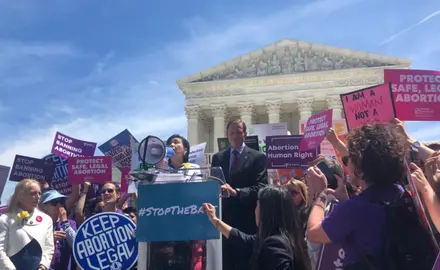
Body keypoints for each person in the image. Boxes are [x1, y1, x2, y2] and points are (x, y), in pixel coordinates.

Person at [203, 185, 311, 270]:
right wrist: (215, 220)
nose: (255, 210)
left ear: (267, 211)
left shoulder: (275, 244)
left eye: (258, 205)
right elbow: (242, 239)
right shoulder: (287, 237)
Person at [211, 119, 268, 270]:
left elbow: (262, 187)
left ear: (245, 134)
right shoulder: (218, 158)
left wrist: (237, 192)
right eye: (232, 133)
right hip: (224, 220)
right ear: (227, 136)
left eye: (239, 132)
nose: (235, 135)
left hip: (246, 222)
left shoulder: (258, 157)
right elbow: (213, 184)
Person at [0, 179, 54, 270]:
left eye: (39, 193)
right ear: (20, 196)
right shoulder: (5, 219)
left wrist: (43, 267)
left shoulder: (46, 220)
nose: (37, 197)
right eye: (32, 193)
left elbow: (48, 248)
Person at [39, 189, 77, 270]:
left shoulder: (70, 223)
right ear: (44, 206)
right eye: (54, 202)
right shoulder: (38, 224)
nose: (59, 205)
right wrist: (49, 238)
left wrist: (65, 223)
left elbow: (76, 245)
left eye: (61, 201)